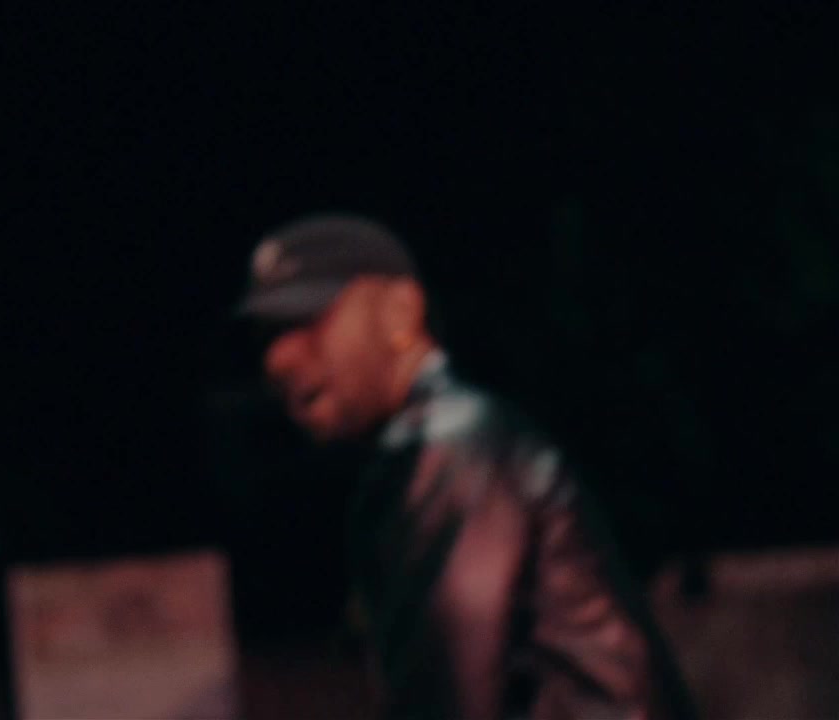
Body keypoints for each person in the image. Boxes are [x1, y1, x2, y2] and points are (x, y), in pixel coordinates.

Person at [234, 214, 696, 720]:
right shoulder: (427, 450)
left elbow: (449, 698)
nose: (279, 357)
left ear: (400, 311)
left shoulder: (453, 447)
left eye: (309, 319)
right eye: (268, 334)